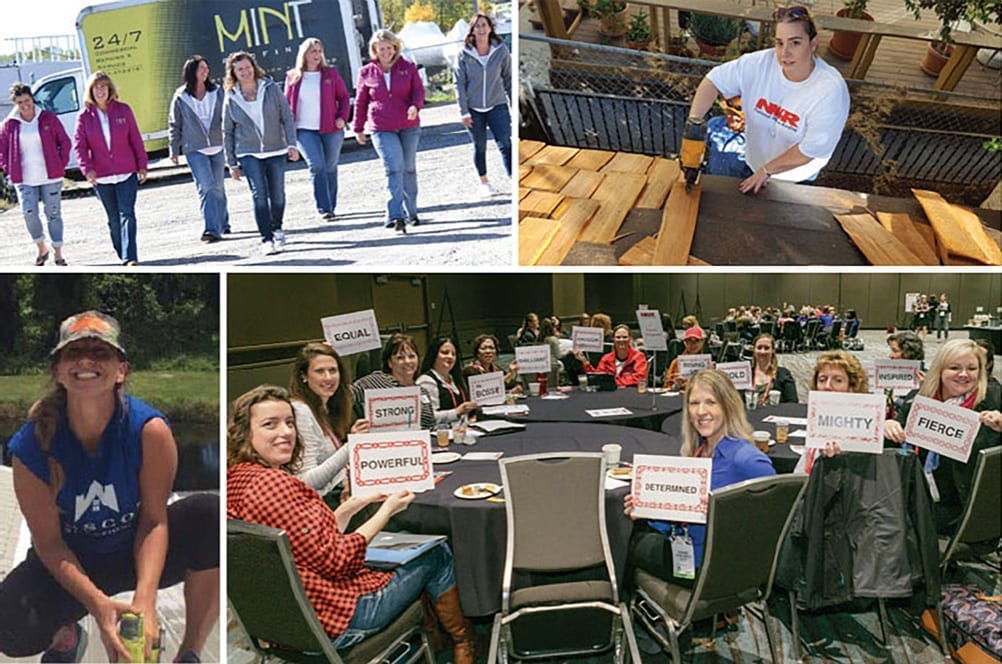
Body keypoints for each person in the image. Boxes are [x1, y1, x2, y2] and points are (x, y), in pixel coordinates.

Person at [0, 311, 218, 662]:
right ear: (58, 370)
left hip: (134, 547)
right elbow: (50, 544)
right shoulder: (31, 447)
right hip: (73, 560)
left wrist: (145, 600)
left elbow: (153, 520)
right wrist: (98, 606)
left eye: (100, 352)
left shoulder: (148, 430)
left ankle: (190, 652)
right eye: (73, 352)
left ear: (122, 370)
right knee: (7, 625)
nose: (86, 360)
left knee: (209, 514)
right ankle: (66, 638)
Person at [226, 385, 475, 661]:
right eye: (269, 425)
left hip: (282, 629)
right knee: (436, 552)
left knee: (399, 546)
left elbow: (307, 541)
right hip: (339, 621)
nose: (285, 432)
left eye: (289, 422)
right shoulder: (276, 485)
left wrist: (353, 505)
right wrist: (386, 511)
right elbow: (338, 559)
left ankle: (435, 636)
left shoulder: (237, 480)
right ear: (244, 433)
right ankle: (463, 641)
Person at [624, 370, 775, 585]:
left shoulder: (747, 460)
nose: (701, 411)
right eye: (694, 404)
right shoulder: (693, 453)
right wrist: (646, 507)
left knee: (622, 545)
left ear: (727, 405)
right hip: (687, 551)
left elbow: (769, 523)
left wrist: (721, 512)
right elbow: (679, 516)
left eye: (711, 402)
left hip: (713, 569)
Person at [685, 5, 849, 194]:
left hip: (793, 177)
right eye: (779, 43)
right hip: (754, 161)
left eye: (795, 43)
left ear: (813, 43)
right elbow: (714, 80)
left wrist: (766, 170)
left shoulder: (830, 91)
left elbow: (809, 150)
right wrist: (694, 121)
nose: (784, 53)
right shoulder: (760, 63)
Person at [884, 339, 1002, 534]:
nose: (964, 374)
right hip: (915, 496)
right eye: (955, 367)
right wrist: (889, 425)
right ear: (939, 370)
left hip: (964, 506)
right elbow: (894, 447)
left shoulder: (994, 400)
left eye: (972, 368)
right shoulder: (918, 400)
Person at [222, 51, 299, 257]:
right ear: (234, 73)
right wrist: (232, 163)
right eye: (240, 69)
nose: (245, 72)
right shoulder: (231, 97)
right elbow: (227, 131)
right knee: (259, 196)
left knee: (278, 195)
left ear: (254, 67)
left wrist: (292, 144)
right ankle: (266, 238)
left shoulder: (271, 88)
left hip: (276, 149)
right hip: (249, 152)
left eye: (247, 67)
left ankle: (277, 228)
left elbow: (287, 117)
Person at [353, 29, 425, 233]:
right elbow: (360, 101)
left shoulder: (408, 67)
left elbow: (418, 91)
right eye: (380, 48)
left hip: (408, 125)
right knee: (394, 168)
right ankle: (394, 215)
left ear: (395, 48)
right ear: (374, 50)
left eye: (388, 48)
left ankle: (412, 211)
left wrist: (415, 106)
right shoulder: (366, 72)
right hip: (381, 127)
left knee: (408, 168)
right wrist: (358, 128)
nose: (385, 52)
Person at [73, 71, 147, 266]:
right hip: (101, 177)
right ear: (90, 91)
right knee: (114, 219)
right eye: (96, 87)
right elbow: (80, 146)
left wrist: (142, 165)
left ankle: (130, 257)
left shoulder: (124, 110)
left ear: (110, 89)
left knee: (127, 213)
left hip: (126, 172)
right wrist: (86, 169)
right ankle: (122, 251)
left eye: (103, 86)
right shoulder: (84, 117)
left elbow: (135, 139)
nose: (100, 91)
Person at [0, 82, 72, 266]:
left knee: (53, 213)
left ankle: (58, 253)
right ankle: (41, 247)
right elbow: (2, 150)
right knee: (29, 213)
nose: (25, 105)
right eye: (20, 102)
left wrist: (60, 164)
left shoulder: (48, 118)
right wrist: (9, 169)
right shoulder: (10, 125)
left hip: (50, 176)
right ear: (15, 103)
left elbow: (64, 141)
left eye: (27, 100)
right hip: (24, 178)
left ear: (32, 99)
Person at [288, 343, 369, 497]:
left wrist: (346, 481)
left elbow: (331, 465)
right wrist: (352, 444)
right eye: (320, 371)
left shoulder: (326, 407)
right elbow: (307, 481)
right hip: (317, 506)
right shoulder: (301, 412)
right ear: (303, 376)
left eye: (333, 370)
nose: (328, 378)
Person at [285, 38, 351, 221]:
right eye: (313, 51)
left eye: (319, 51)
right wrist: (287, 132)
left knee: (330, 167)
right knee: (316, 165)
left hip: (331, 128)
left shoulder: (330, 74)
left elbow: (344, 97)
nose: (317, 55)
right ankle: (324, 207)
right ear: (304, 54)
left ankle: (331, 205)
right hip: (304, 130)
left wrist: (342, 117)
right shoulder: (293, 77)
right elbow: (286, 106)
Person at [168, 55, 230, 243]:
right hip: (195, 149)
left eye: (206, 67)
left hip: (218, 146)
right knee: (206, 187)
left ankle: (223, 223)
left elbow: (228, 116)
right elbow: (174, 123)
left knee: (218, 187)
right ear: (191, 71)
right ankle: (211, 229)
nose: (206, 71)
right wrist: (173, 148)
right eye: (201, 68)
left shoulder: (217, 92)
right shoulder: (181, 96)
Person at [454, 12, 511, 198]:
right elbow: (459, 84)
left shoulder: (501, 50)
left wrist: (514, 102)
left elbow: (508, 78)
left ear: (490, 28)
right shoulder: (464, 54)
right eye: (477, 26)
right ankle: (484, 183)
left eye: (484, 25)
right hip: (473, 109)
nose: (481, 29)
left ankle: (513, 178)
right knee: (479, 146)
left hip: (497, 105)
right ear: (472, 30)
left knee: (505, 143)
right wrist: (463, 111)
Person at [351, 333, 435, 429]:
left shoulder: (422, 392)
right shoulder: (375, 381)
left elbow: (430, 426)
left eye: (412, 356)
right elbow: (345, 396)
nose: (407, 361)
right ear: (390, 363)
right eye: (400, 357)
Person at [416, 337, 477, 427]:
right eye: (445, 353)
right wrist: (457, 412)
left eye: (453, 354)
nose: (450, 356)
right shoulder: (426, 382)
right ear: (434, 355)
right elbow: (428, 418)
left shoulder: (455, 379)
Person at [573, 324, 648, 387]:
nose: (621, 340)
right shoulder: (606, 358)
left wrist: (613, 383)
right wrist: (585, 361)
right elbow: (598, 377)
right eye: (618, 337)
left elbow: (639, 378)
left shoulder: (639, 356)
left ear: (630, 339)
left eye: (624, 337)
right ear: (613, 339)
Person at [750, 333, 798, 404]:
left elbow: (793, 402)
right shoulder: (747, 374)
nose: (762, 352)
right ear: (754, 350)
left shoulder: (784, 374)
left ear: (773, 350)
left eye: (766, 348)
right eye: (759, 348)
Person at [663, 326, 708, 390]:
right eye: (689, 340)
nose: (693, 344)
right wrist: (676, 386)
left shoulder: (709, 364)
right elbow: (667, 387)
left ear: (702, 342)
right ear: (685, 343)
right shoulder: (676, 363)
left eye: (696, 340)